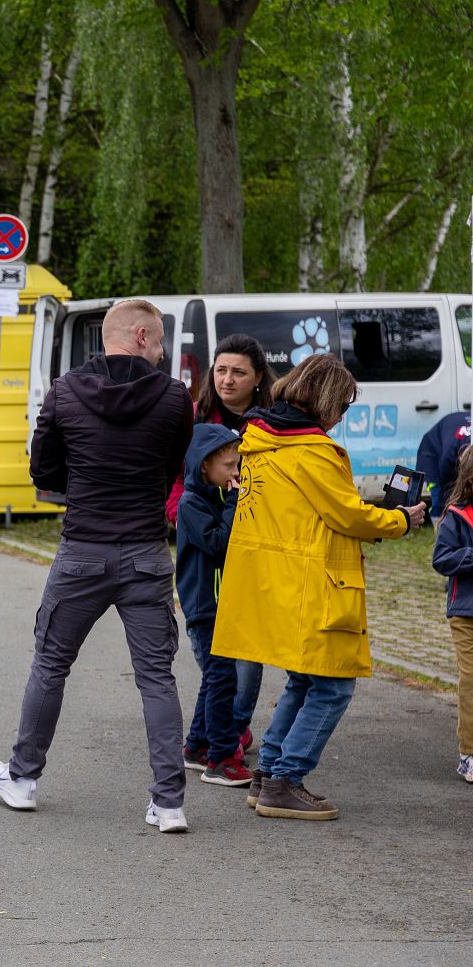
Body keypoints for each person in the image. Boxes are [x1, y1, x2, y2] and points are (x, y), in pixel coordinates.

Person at [0, 299, 195, 833]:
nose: (163, 349)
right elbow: (174, 465)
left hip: (82, 551)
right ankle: (169, 803)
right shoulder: (175, 397)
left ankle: (22, 780)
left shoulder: (64, 391)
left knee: (51, 664)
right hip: (146, 553)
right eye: (160, 339)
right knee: (156, 677)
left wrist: (81, 477)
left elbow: (43, 471)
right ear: (141, 336)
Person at [214, 353, 426, 821]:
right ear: (326, 400)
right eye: (343, 405)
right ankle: (285, 780)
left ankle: (269, 774)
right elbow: (347, 514)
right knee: (333, 686)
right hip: (314, 585)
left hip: (274, 582)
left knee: (304, 679)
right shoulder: (313, 451)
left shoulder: (258, 440)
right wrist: (400, 520)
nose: (342, 416)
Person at [166, 334, 274, 759]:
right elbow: (176, 479)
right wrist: (184, 514)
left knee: (246, 655)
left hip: (255, 549)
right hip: (211, 551)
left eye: (238, 372)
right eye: (221, 370)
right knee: (220, 665)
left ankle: (230, 726)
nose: (227, 380)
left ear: (258, 377)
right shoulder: (194, 420)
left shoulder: (271, 423)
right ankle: (222, 736)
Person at [176, 424, 253, 788]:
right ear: (204, 466)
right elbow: (220, 543)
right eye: (228, 466)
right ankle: (221, 757)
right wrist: (236, 502)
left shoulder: (215, 496)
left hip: (220, 604)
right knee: (223, 679)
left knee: (215, 677)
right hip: (205, 607)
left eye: (237, 464)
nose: (235, 472)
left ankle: (197, 746)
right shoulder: (191, 504)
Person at [428, 444, 473, 783]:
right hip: (466, 613)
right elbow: (441, 559)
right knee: (471, 680)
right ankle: (469, 753)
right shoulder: (457, 515)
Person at [416, 407, 471, 519]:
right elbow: (445, 481)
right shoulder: (450, 452)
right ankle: (439, 523)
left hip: (457, 441)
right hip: (433, 453)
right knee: (441, 498)